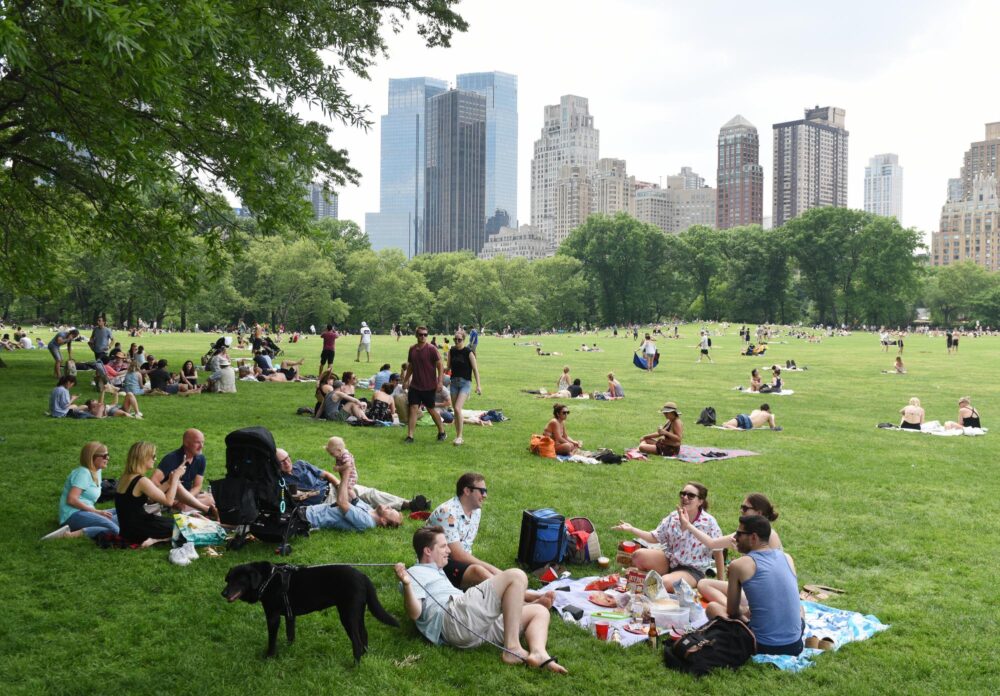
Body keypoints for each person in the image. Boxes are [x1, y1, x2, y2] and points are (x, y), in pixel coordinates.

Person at [395, 526, 566, 673]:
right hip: (454, 619)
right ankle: (512, 648)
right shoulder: (415, 573)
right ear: (428, 551)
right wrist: (407, 584)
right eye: (443, 546)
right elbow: (415, 613)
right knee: (516, 575)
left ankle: (538, 653)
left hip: (474, 631)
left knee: (540, 611)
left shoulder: (438, 571)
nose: (448, 550)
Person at [704, 515, 804, 656]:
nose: (735, 538)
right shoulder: (787, 558)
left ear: (753, 538)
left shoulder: (739, 565)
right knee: (800, 607)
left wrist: (744, 613)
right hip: (795, 645)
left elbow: (732, 612)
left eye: (739, 533)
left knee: (712, 608)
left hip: (762, 646)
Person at [613, 481, 724, 588]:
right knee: (638, 555)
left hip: (691, 570)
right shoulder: (674, 517)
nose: (685, 497)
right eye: (683, 494)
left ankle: (659, 581)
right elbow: (654, 537)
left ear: (700, 501)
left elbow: (718, 552)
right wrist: (632, 529)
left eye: (691, 495)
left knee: (665, 582)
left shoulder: (709, 522)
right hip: (669, 561)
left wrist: (721, 583)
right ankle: (656, 580)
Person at [687, 493, 783, 606]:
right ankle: (731, 607)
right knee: (703, 584)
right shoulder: (748, 532)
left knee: (711, 600)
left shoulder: (770, 536)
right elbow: (712, 543)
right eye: (741, 507)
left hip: (764, 595)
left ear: (759, 513)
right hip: (752, 588)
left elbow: (766, 573)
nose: (741, 511)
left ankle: (733, 610)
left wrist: (738, 566)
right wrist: (688, 525)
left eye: (745, 508)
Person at [276, 446, 428, 511]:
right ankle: (386, 513)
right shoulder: (280, 481)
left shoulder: (301, 464)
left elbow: (327, 474)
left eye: (288, 458)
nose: (287, 462)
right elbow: (294, 499)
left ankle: (408, 504)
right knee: (359, 508)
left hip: (333, 488)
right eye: (282, 462)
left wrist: (338, 484)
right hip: (323, 502)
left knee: (369, 493)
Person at [425, 472, 499, 589]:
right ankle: (527, 597)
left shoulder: (476, 511)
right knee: (480, 573)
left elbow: (465, 550)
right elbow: (457, 555)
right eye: (482, 491)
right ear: (467, 491)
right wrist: (492, 569)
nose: (485, 495)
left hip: (459, 564)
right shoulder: (447, 512)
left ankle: (524, 596)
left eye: (486, 491)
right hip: (438, 565)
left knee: (487, 579)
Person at [45, 442, 120, 540]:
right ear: (92, 457)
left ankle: (103, 525)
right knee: (115, 530)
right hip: (73, 515)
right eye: (104, 456)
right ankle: (69, 534)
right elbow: (71, 499)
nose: (108, 458)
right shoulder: (83, 473)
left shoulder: (97, 471)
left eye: (108, 455)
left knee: (125, 511)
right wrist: (96, 512)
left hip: (86, 512)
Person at [115, 441, 185, 546]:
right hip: (140, 528)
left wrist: (168, 482)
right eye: (153, 456)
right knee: (183, 528)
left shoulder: (126, 477)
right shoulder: (141, 481)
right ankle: (153, 540)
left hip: (127, 529)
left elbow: (151, 498)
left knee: (178, 523)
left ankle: (153, 539)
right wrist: (175, 479)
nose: (155, 459)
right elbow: (169, 501)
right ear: (144, 457)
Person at [295, 464, 401, 531]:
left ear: (383, 521)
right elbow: (353, 497)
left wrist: (345, 474)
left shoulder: (366, 522)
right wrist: (345, 469)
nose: (390, 507)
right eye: (392, 508)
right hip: (305, 511)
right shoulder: (370, 510)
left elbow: (342, 503)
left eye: (391, 511)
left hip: (305, 518)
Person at [151, 429, 216, 514]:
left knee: (212, 497)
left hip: (186, 496)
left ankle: (182, 507)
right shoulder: (171, 458)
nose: (201, 446)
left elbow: (197, 486)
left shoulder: (201, 459)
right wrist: (166, 497)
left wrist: (188, 498)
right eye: (197, 442)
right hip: (172, 495)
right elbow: (154, 480)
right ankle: (204, 509)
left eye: (202, 442)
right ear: (186, 443)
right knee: (176, 481)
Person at [402, 326, 446, 443]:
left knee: (431, 409)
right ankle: (410, 436)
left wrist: (440, 382)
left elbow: (440, 366)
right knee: (413, 408)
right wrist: (406, 380)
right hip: (415, 386)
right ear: (416, 335)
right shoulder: (412, 349)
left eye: (425, 334)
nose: (423, 337)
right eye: (421, 334)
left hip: (429, 386)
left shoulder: (432, 349)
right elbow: (411, 366)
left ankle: (442, 431)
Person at [447, 329, 482, 446]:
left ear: (464, 339)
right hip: (453, 383)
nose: (457, 341)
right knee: (456, 412)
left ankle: (460, 437)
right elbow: (448, 367)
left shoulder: (468, 352)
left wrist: (478, 386)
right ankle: (457, 435)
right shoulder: (451, 351)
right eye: (455, 339)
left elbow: (475, 370)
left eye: (459, 339)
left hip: (465, 383)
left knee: (457, 408)